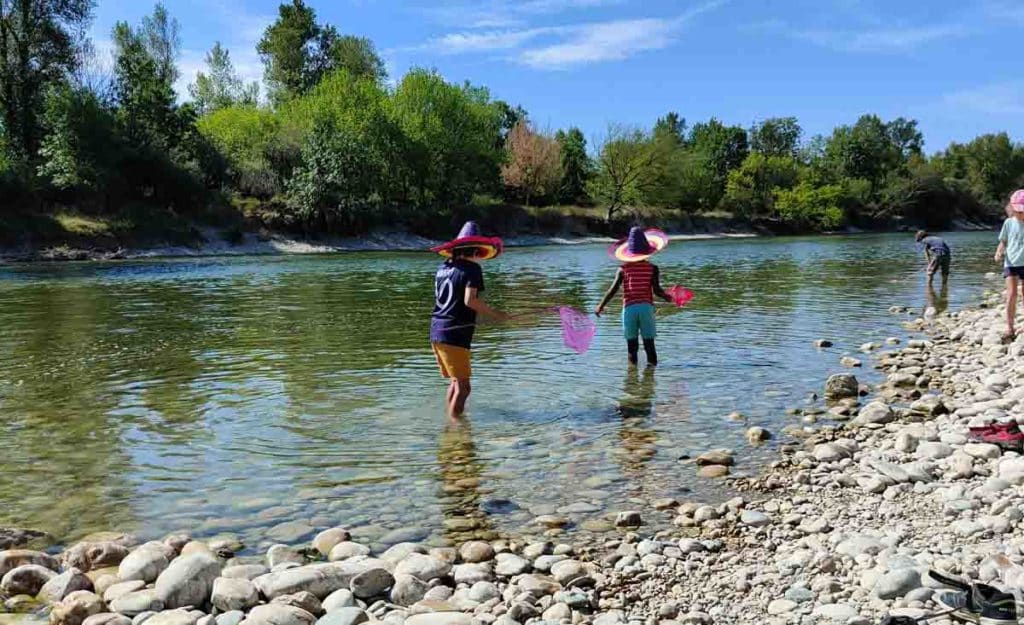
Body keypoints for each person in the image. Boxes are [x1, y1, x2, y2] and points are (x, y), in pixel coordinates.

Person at [429, 221, 509, 419]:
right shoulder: (472, 269)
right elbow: (469, 300)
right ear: (476, 251)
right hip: (454, 334)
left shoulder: (442, 268)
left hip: (437, 331)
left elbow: (452, 302)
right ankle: (456, 429)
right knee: (464, 388)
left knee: (456, 383)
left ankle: (451, 420)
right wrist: (496, 314)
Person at [595, 226, 673, 366]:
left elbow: (612, 290)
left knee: (632, 347)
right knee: (649, 344)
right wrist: (668, 297)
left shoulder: (622, 269)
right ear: (648, 251)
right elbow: (656, 290)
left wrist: (601, 305)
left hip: (629, 310)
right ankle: (651, 377)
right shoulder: (653, 268)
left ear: (628, 253)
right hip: (646, 309)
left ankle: (632, 379)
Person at [995, 190, 1024, 342]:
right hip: (1011, 262)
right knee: (1011, 294)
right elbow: (1003, 241)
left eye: (1022, 211)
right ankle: (1010, 326)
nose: (1020, 214)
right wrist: (999, 252)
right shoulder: (1008, 222)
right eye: (1017, 211)